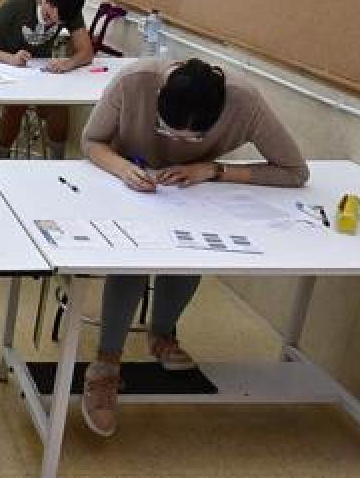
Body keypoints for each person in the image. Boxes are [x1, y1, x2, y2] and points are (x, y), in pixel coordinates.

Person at [78, 58, 309, 437]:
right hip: (125, 177)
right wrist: (123, 170)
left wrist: (214, 170)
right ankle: (106, 364)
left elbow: (295, 171)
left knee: (192, 251)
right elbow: (92, 140)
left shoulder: (245, 103)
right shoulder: (134, 82)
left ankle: (163, 335)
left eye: (193, 139)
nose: (178, 144)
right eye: (169, 131)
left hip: (193, 191)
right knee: (131, 260)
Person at [0, 0, 94, 159]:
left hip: (38, 70)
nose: (50, 23)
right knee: (17, 104)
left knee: (60, 103)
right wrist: (10, 58)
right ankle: (1, 157)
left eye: (57, 23)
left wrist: (67, 63)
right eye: (48, 17)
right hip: (5, 66)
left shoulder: (68, 6)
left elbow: (86, 51)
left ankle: (57, 162)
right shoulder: (17, 1)